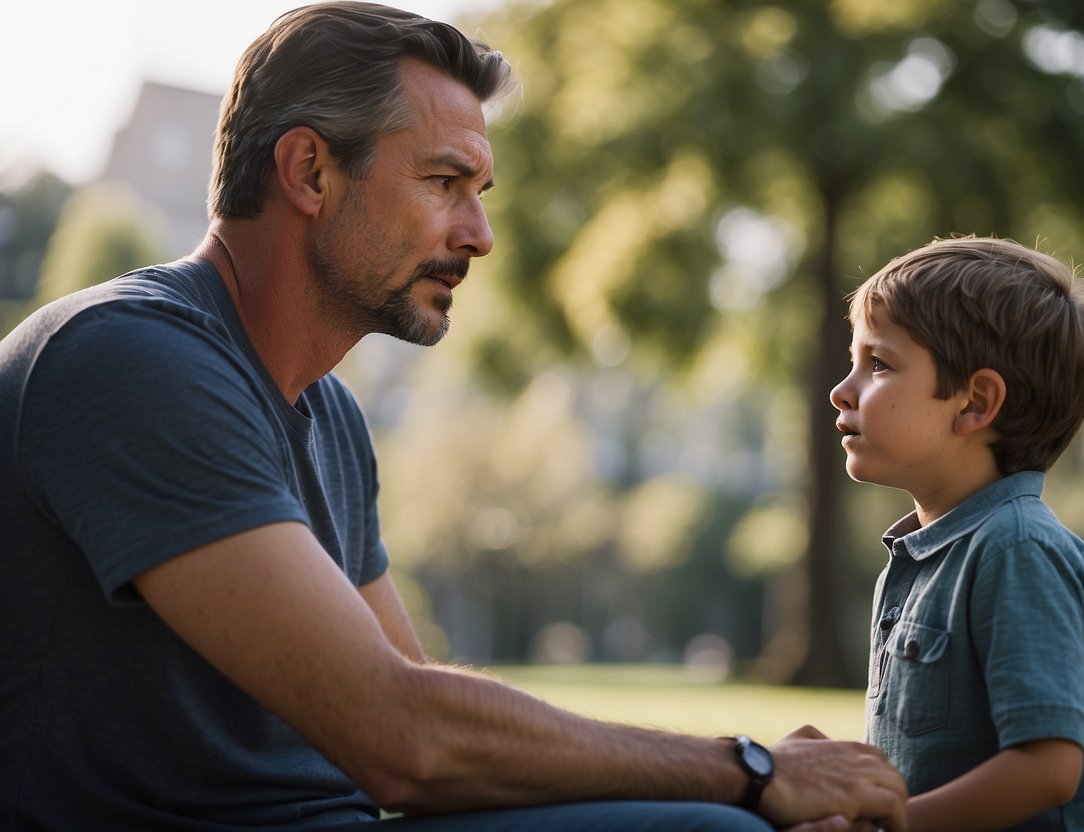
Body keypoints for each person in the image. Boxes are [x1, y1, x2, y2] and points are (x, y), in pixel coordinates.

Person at [0, 4, 909, 831]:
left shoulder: (328, 416)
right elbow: (402, 737)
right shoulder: (129, 361)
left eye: (479, 191)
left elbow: (418, 699)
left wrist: (744, 784)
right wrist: (747, 769)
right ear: (309, 170)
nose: (478, 233)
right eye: (444, 182)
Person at [828, 236, 1084, 830]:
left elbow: (1048, 768)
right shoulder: (921, 560)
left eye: (877, 364)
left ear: (975, 403)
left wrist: (892, 825)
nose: (841, 390)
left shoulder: (1016, 548)